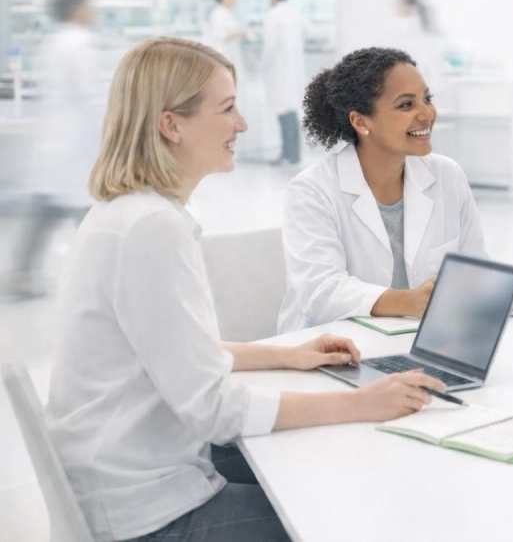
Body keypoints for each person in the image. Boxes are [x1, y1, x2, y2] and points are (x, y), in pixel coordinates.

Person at [44, 37, 445, 541]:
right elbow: (213, 409)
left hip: (132, 483)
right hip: (150, 516)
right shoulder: (150, 229)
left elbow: (178, 352)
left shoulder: (130, 214)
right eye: (228, 108)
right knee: (354, 517)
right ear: (172, 124)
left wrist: (290, 356)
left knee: (319, 479)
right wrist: (362, 403)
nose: (243, 125)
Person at [277, 47, 486, 333]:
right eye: (406, 105)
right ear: (361, 121)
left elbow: (475, 270)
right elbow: (321, 292)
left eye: (427, 99)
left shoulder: (447, 175)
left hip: (422, 341)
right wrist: (409, 302)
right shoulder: (312, 190)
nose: (427, 114)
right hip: (334, 348)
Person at [4, 0, 103, 300]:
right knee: (79, 214)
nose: (93, 10)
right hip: (74, 145)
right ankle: (97, 281)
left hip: (60, 144)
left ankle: (22, 274)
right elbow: (90, 95)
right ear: (76, 9)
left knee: (52, 211)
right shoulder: (80, 44)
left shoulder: (57, 42)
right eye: (89, 5)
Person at [261, 0, 306, 165]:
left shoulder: (273, 15)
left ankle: (288, 154)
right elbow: (309, 31)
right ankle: (293, 153)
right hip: (293, 68)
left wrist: (263, 65)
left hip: (279, 69)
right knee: (291, 109)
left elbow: (270, 46)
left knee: (283, 110)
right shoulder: (295, 14)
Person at [203, 0, 247, 81]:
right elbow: (218, 34)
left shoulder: (228, 13)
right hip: (223, 56)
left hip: (231, 57)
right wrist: (238, 33)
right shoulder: (218, 14)